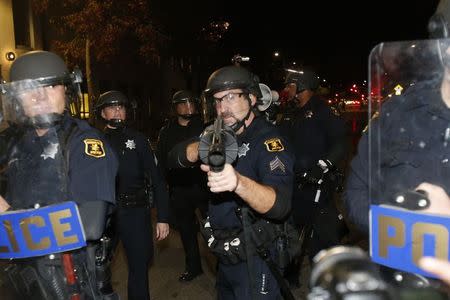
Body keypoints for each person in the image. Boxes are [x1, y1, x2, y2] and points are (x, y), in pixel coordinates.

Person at [168, 65, 294, 299]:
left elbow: (281, 205)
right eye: (217, 101)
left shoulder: (269, 141)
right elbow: (172, 157)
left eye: (230, 97)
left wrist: (237, 183)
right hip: (227, 254)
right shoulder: (220, 132)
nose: (222, 108)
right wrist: (200, 148)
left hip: (257, 255)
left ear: (252, 98)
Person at [0, 50, 118, 299]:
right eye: (28, 88)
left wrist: (7, 219)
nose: (40, 96)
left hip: (71, 284)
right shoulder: (18, 145)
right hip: (24, 281)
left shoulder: (84, 143)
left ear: (66, 90)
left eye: (51, 85)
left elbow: (89, 225)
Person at [96, 90, 170, 300]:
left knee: (139, 265)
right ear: (103, 113)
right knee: (98, 267)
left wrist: (163, 217)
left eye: (121, 106)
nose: (117, 110)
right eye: (112, 107)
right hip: (104, 214)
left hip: (135, 212)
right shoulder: (94, 142)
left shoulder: (138, 140)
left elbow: (157, 179)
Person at [279, 70, 348, 287]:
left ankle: (325, 284)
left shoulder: (322, 110)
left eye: (289, 85)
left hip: (317, 185)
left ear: (301, 86)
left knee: (322, 239)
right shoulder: (290, 112)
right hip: (293, 185)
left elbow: (341, 142)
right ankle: (291, 277)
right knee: (290, 234)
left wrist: (323, 166)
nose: (286, 89)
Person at [156, 90, 209, 282]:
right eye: (183, 104)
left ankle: (223, 266)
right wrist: (162, 188)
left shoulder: (204, 128)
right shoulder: (167, 131)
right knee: (186, 231)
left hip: (204, 187)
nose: (188, 107)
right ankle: (193, 267)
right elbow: (161, 162)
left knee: (214, 228)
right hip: (180, 189)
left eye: (191, 103)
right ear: (175, 107)